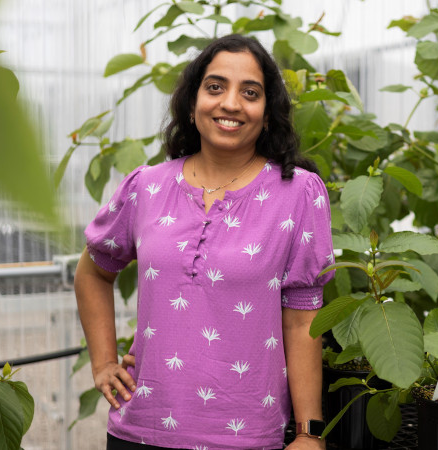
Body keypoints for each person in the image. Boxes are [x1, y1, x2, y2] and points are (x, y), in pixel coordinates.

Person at [75, 34, 334, 450]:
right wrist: (104, 362)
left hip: (247, 437)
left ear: (267, 114)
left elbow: (303, 320)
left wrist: (309, 434)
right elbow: (93, 272)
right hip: (140, 430)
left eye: (250, 93)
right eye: (215, 87)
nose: (230, 103)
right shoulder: (147, 186)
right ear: (192, 103)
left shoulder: (298, 192)